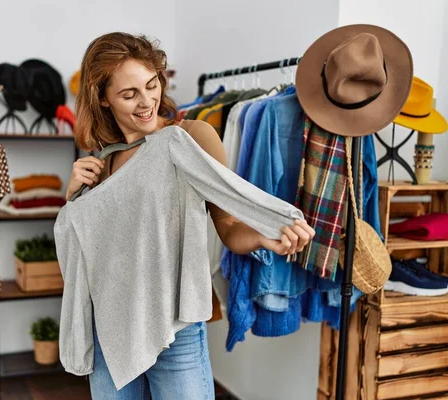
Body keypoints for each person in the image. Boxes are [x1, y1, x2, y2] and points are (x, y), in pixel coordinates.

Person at [65, 32, 315, 399]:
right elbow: (87, 253)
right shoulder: (102, 160)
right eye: (128, 94)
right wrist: (73, 197)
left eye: (151, 85)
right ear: (102, 98)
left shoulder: (191, 137)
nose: (146, 101)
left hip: (174, 328)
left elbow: (228, 224)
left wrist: (263, 234)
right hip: (111, 331)